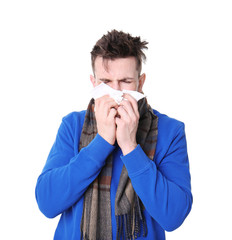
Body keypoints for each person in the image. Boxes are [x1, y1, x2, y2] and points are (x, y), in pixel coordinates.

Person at [35, 29, 192, 240]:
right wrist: (101, 142)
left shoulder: (170, 131)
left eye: (126, 81)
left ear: (141, 82)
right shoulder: (72, 125)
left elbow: (173, 217)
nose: (115, 92)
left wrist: (130, 147)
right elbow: (47, 203)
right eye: (106, 82)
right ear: (93, 83)